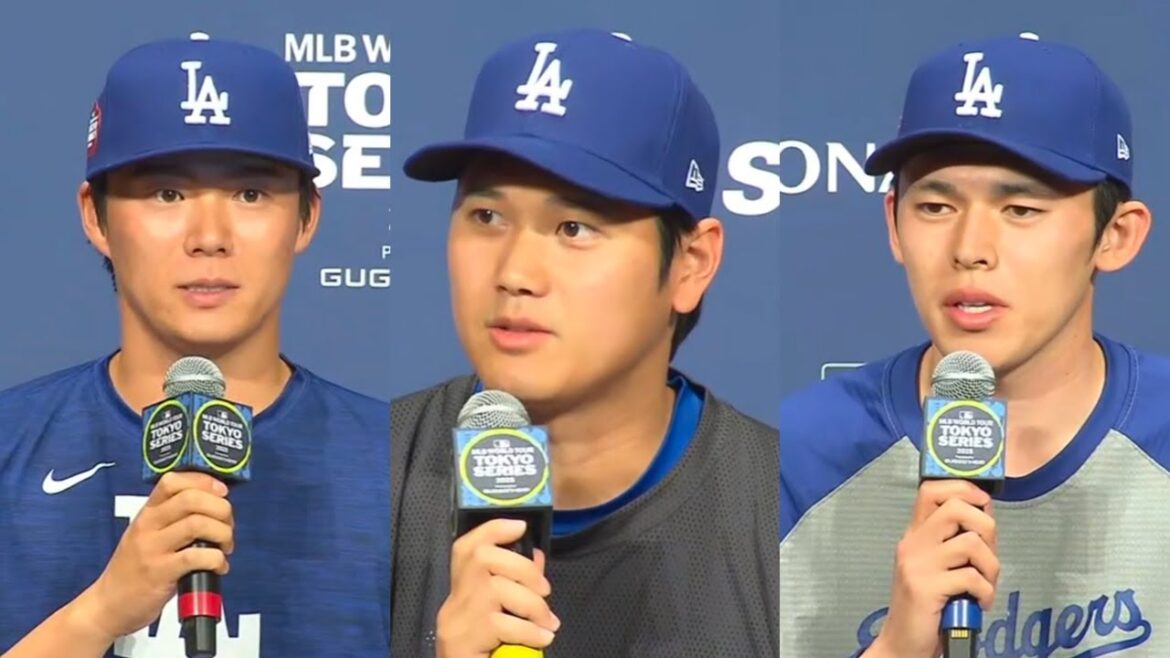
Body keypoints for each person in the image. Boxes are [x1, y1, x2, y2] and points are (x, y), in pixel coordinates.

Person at [389, 27, 777, 658]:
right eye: (486, 217)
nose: (515, 273)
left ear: (692, 264)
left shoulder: (783, 507)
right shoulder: (365, 481)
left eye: (573, 227)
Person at [0, 34, 390, 658]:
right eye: (167, 194)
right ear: (95, 217)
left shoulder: (405, 468)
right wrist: (97, 615)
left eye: (251, 194)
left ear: (307, 218)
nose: (209, 237)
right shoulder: (8, 441)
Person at [779, 33, 1167, 657]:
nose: (969, 248)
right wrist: (899, 646)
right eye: (934, 205)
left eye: (1020, 209)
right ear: (893, 225)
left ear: (1116, 235)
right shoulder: (793, 458)